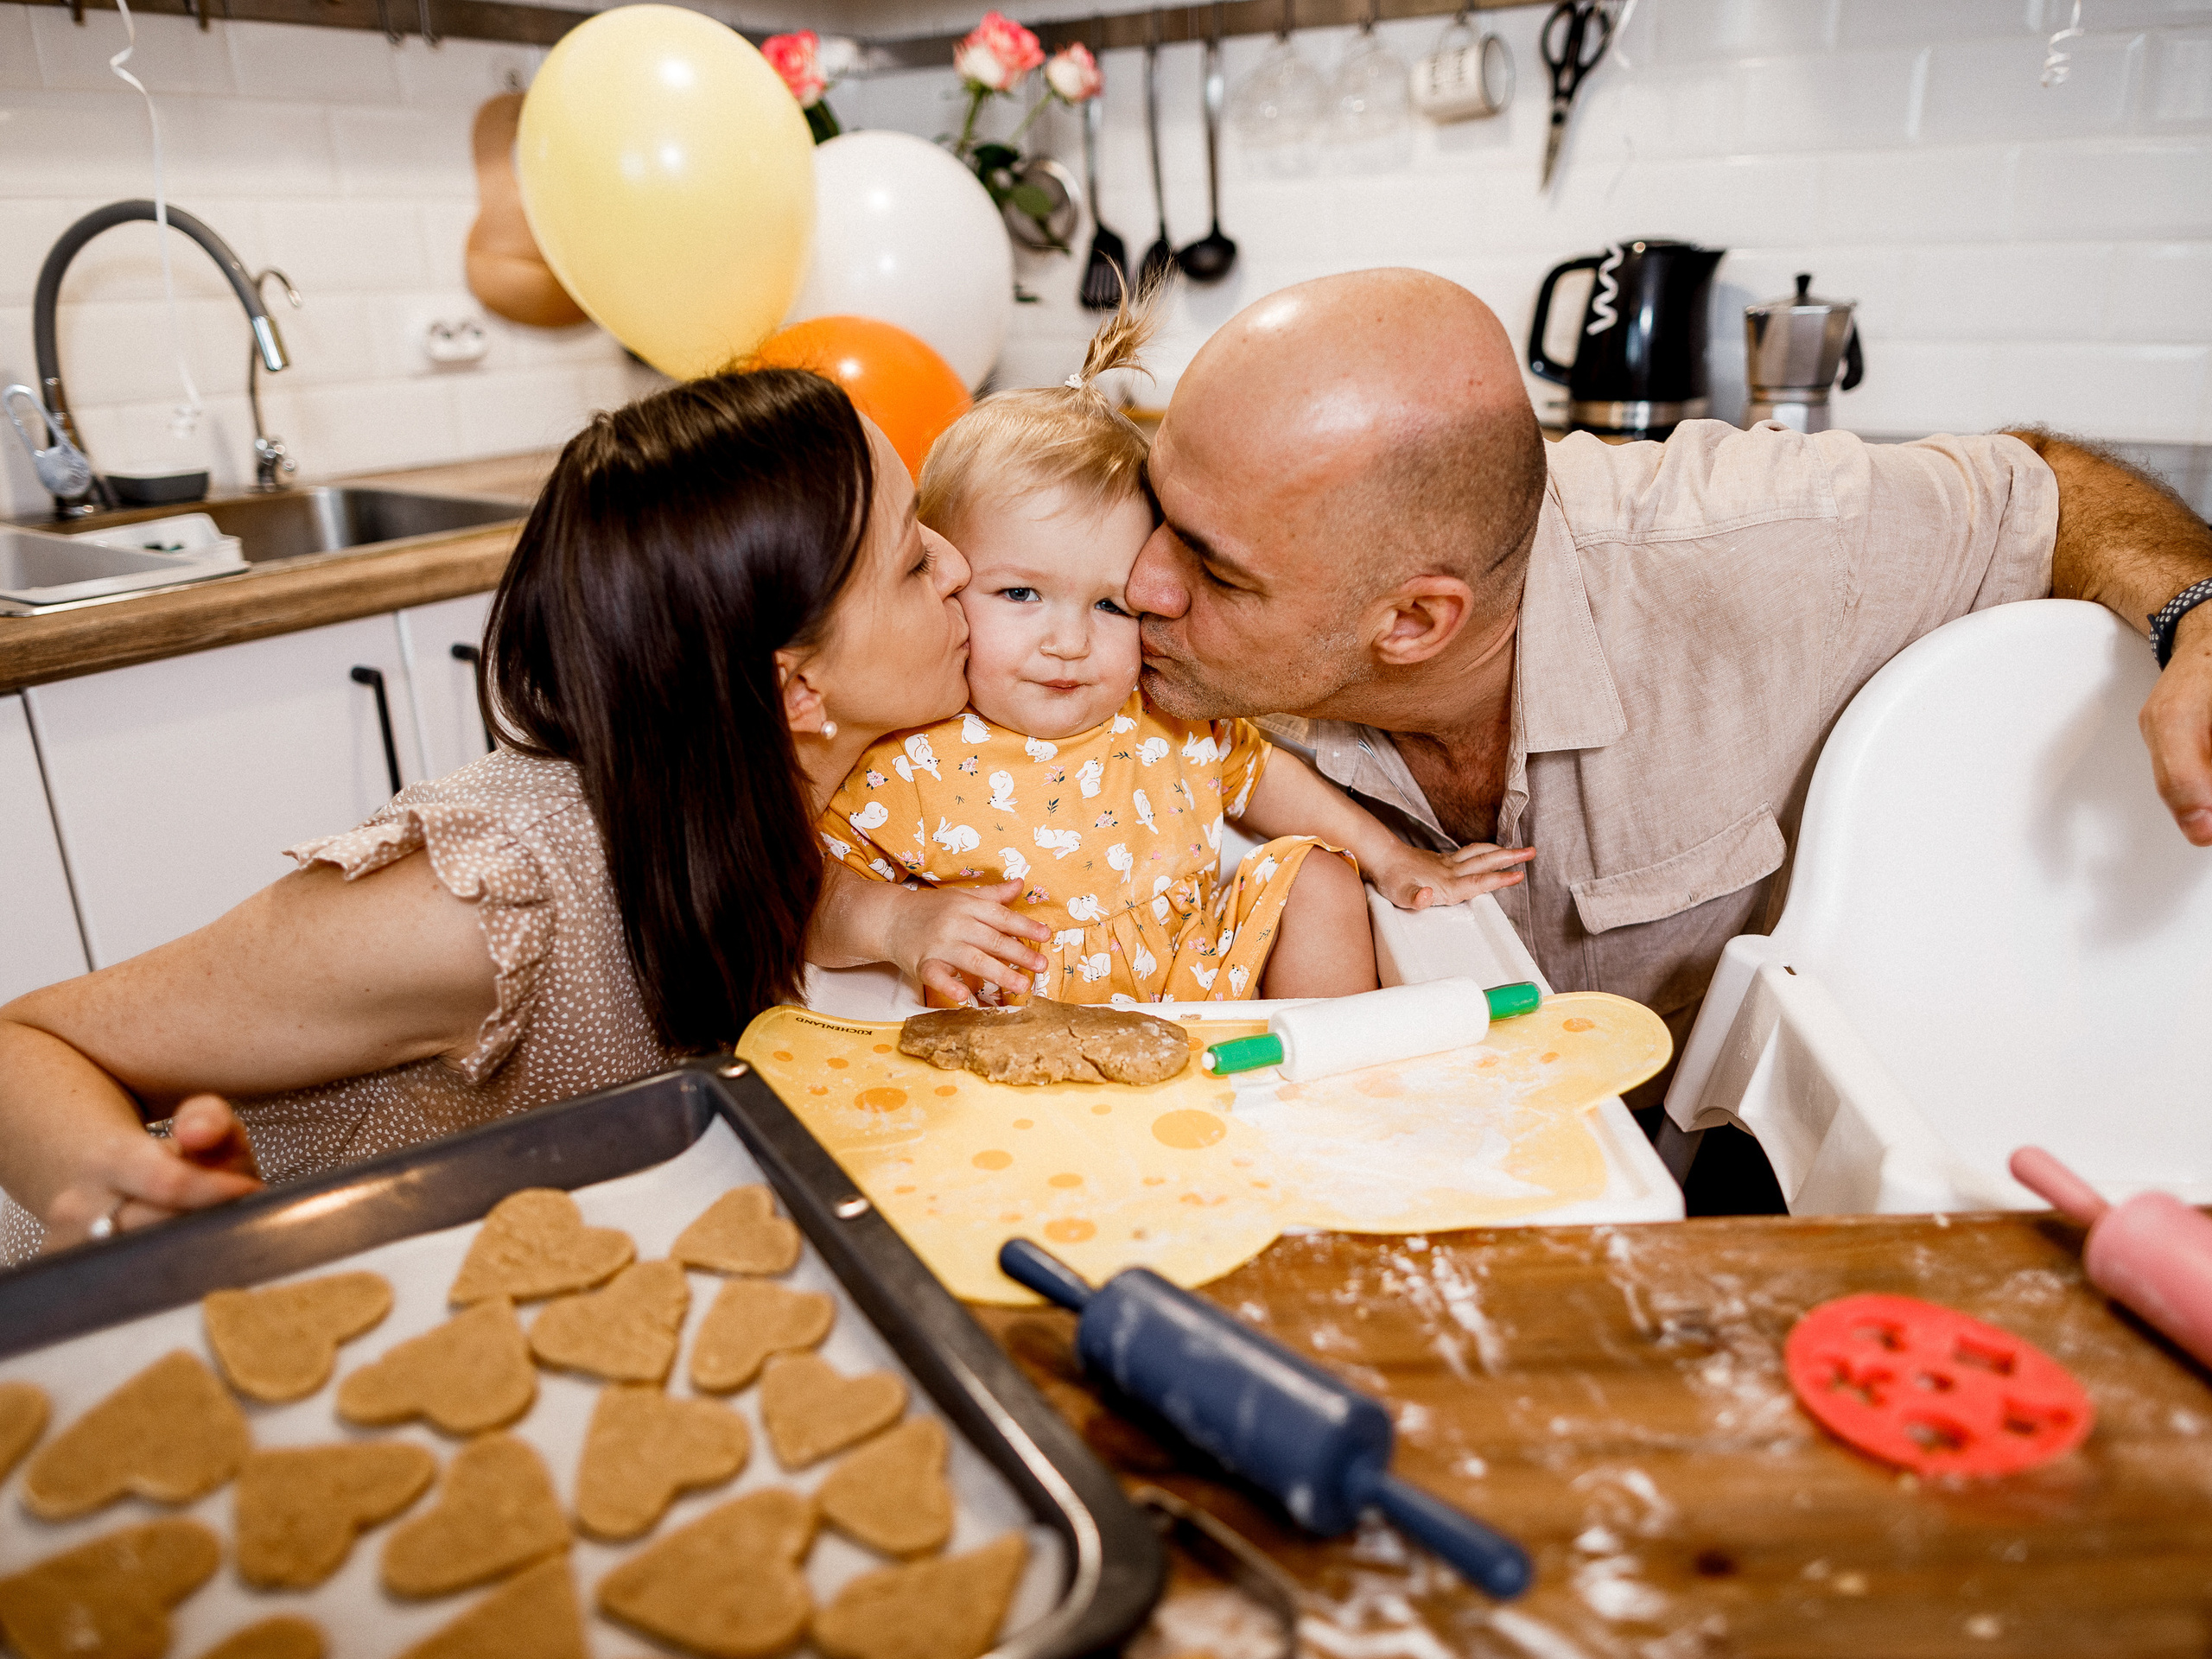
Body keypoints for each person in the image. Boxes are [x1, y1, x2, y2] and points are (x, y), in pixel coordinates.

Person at [1128, 267, 2212, 1118]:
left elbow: (2042, 489)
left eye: (1212, 570)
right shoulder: (1105, 600)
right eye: (1154, 508)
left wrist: (2201, 618)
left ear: (1414, 622)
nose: (1135, 586)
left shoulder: (1745, 546)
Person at [0, 367, 982, 1257]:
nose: (959, 568)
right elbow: (28, 1045)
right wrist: (123, 1208)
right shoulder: (487, 904)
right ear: (795, 693)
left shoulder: (774, 789)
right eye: (912, 562)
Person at [808, 289, 1530, 1007]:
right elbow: (806, 902)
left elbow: (1262, 777)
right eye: (1021, 595)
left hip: (1202, 999)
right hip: (1023, 1019)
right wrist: (899, 921)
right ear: (950, 581)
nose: (1069, 643)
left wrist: (1392, 858)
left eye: (1110, 604)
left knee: (1318, 873)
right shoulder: (911, 759)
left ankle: (1326, 1070)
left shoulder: (1160, 712)